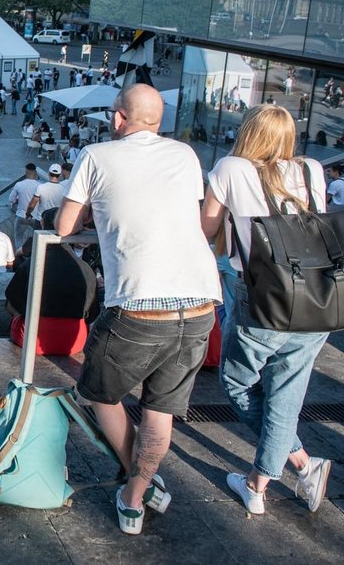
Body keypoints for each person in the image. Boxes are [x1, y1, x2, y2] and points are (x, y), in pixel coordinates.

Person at [57, 83, 221, 536]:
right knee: (159, 409)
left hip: (141, 304)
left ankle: (138, 486)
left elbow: (65, 226)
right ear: (159, 121)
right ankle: (137, 491)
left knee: (96, 393)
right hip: (201, 301)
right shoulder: (185, 156)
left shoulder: (96, 155)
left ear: (117, 119)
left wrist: (93, 211)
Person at [199, 105, 332, 515]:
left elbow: (206, 229)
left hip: (263, 297)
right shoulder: (312, 169)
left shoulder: (231, 168)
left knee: (238, 383)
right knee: (286, 394)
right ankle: (264, 482)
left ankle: (297, 463)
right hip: (318, 300)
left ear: (248, 132)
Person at [23, 164, 67, 239]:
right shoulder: (64, 189)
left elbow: (32, 204)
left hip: (41, 220)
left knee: (36, 243)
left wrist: (28, 214)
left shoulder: (41, 187)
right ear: (60, 175)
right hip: (56, 221)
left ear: (49, 174)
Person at [9, 164, 42, 247]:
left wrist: (17, 200)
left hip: (21, 215)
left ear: (26, 172)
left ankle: (19, 256)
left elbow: (11, 199)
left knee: (18, 237)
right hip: (35, 217)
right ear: (35, 173)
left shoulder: (19, 184)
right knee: (36, 239)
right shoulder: (40, 185)